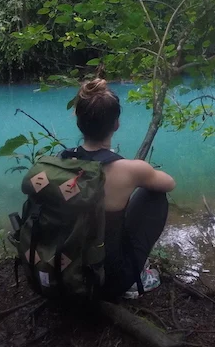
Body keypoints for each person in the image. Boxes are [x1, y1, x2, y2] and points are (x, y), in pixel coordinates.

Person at [61, 78, 175, 299]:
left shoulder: (61, 161)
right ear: (116, 124)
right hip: (107, 281)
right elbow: (169, 183)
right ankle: (134, 278)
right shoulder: (127, 169)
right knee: (154, 196)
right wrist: (137, 177)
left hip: (65, 270)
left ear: (78, 122)